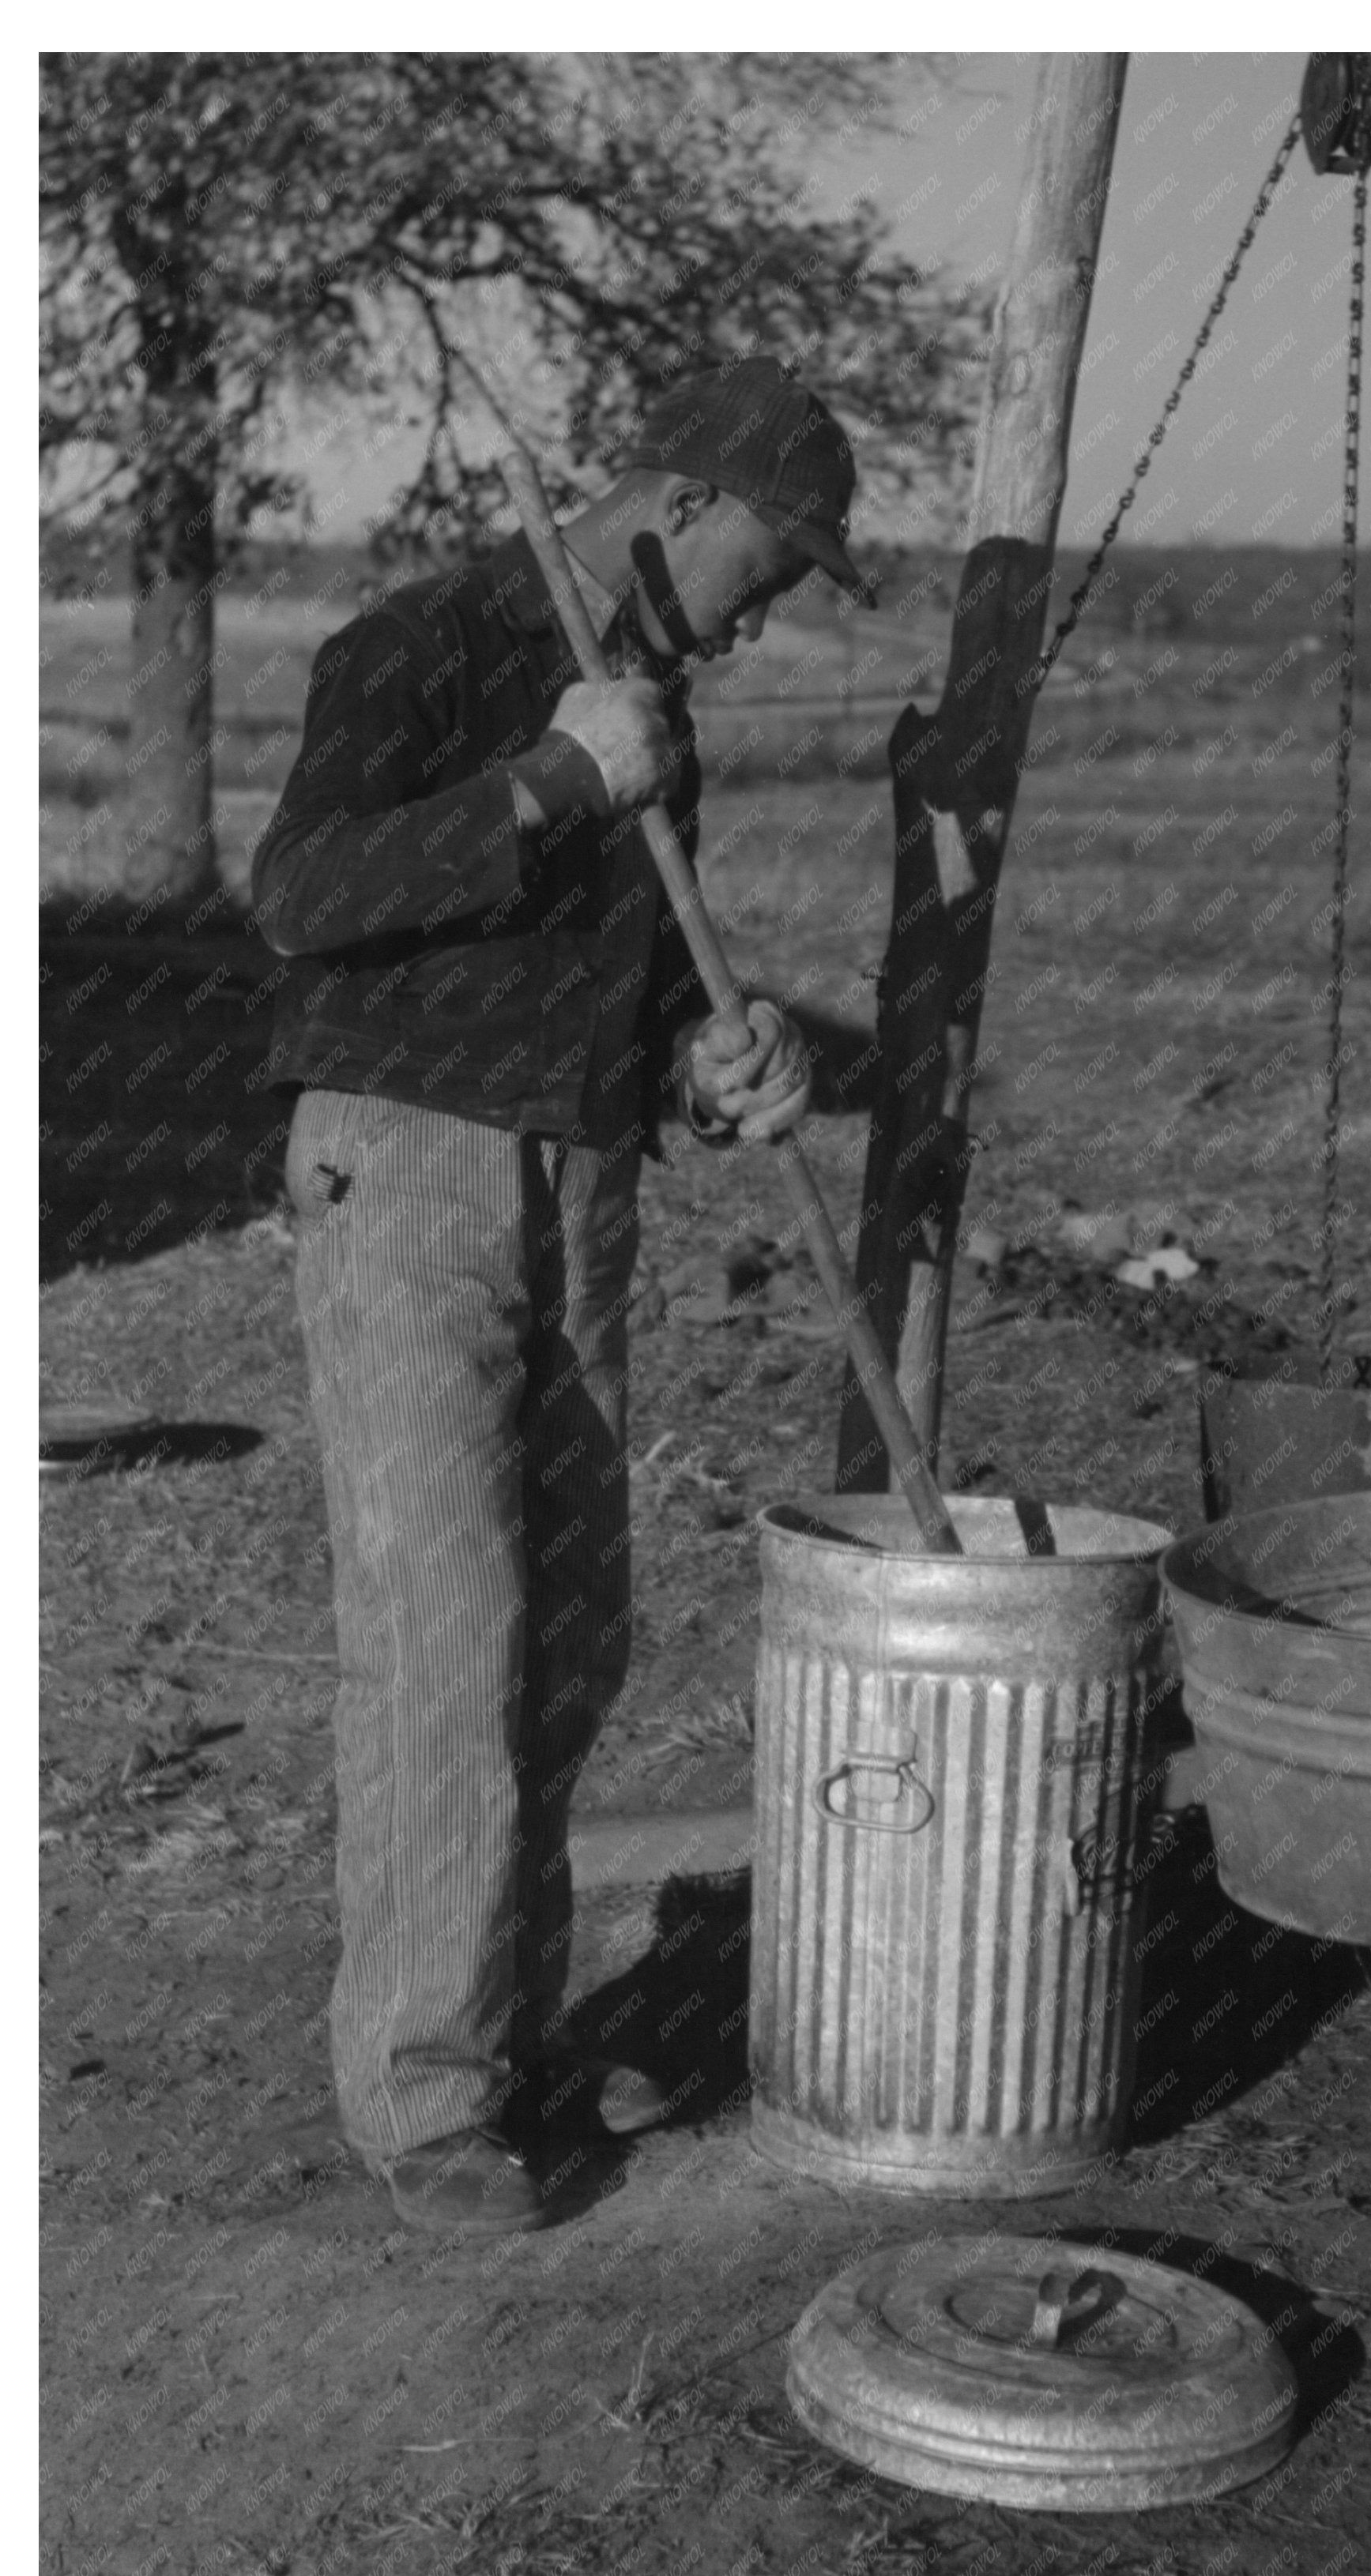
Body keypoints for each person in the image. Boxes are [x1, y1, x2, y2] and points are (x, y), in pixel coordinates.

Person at [251, 359, 873, 2233]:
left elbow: (634, 996)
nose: (759, 624)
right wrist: (548, 779)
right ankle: (424, 2095)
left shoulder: (656, 711)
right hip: (403, 1167)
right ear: (674, 503)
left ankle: (513, 2040)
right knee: (450, 1626)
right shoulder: (427, 643)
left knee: (568, 1634)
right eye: (763, 573)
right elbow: (298, 895)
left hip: (576, 1183)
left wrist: (715, 1064)